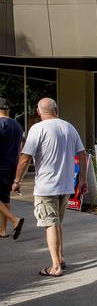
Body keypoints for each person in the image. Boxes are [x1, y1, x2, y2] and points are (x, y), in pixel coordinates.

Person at [13, 98, 87, 277]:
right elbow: (82, 154)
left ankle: (55, 267)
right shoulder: (69, 127)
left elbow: (25, 158)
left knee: (50, 224)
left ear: (39, 112)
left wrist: (17, 180)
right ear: (56, 109)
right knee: (57, 222)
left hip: (46, 187)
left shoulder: (37, 129)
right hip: (66, 185)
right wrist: (82, 180)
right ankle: (60, 258)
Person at [0, 97, 25, 240]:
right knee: (4, 198)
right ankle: (2, 231)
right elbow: (20, 148)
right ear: (8, 109)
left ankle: (14, 219)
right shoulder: (17, 125)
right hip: (11, 166)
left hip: (0, 165)